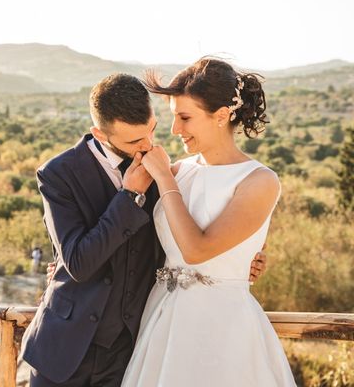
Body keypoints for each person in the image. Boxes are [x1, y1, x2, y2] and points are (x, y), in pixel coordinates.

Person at [20, 73, 266, 386]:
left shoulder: (165, 171)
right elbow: (79, 263)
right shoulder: (58, 174)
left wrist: (243, 259)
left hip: (128, 351)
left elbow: (186, 237)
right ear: (100, 132)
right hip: (63, 346)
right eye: (135, 141)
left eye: (151, 130)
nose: (148, 145)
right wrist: (128, 196)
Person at [121, 57, 295, 386]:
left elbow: (196, 251)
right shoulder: (179, 172)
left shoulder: (259, 181)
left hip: (221, 328)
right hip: (163, 322)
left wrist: (163, 179)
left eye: (185, 117)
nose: (175, 131)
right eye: (173, 118)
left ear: (221, 115)